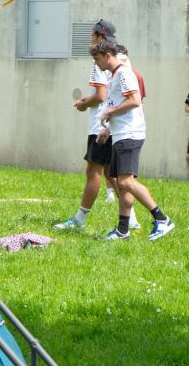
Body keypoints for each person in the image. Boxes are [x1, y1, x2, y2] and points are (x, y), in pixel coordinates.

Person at [56, 19, 137, 231]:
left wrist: (84, 104)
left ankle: (80, 220)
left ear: (99, 36)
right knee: (116, 175)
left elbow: (101, 95)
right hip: (117, 125)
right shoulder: (123, 57)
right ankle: (133, 219)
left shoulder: (100, 60)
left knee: (93, 172)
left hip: (102, 124)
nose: (90, 38)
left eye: (93, 34)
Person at [91, 41, 175, 242]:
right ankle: (122, 230)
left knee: (126, 181)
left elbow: (135, 101)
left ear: (107, 55)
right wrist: (108, 129)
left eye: (97, 59)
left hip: (130, 135)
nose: (96, 64)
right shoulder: (114, 77)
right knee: (123, 184)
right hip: (121, 134)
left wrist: (110, 111)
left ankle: (162, 219)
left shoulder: (123, 74)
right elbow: (123, 105)